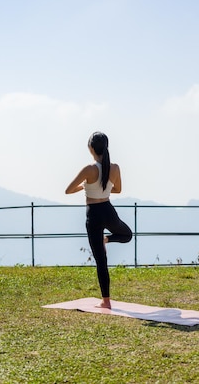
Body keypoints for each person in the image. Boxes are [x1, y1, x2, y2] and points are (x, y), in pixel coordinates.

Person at [65, 131, 132, 309]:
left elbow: (68, 190)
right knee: (127, 235)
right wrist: (103, 187)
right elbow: (117, 190)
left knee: (101, 260)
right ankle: (107, 239)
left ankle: (106, 301)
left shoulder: (89, 169)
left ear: (91, 148)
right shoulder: (115, 168)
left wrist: (85, 186)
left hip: (93, 214)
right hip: (108, 210)